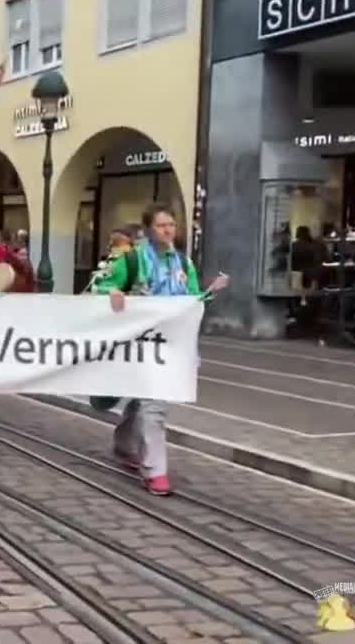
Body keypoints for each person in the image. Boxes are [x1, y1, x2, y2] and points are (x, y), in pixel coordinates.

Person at [95, 202, 229, 496]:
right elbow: (98, 286)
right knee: (153, 405)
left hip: (172, 344)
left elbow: (192, 299)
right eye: (161, 225)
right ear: (148, 229)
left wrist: (208, 293)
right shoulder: (131, 260)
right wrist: (114, 291)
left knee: (146, 400)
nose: (168, 230)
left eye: (171, 224)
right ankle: (155, 470)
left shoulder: (183, 263)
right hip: (138, 343)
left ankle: (124, 444)